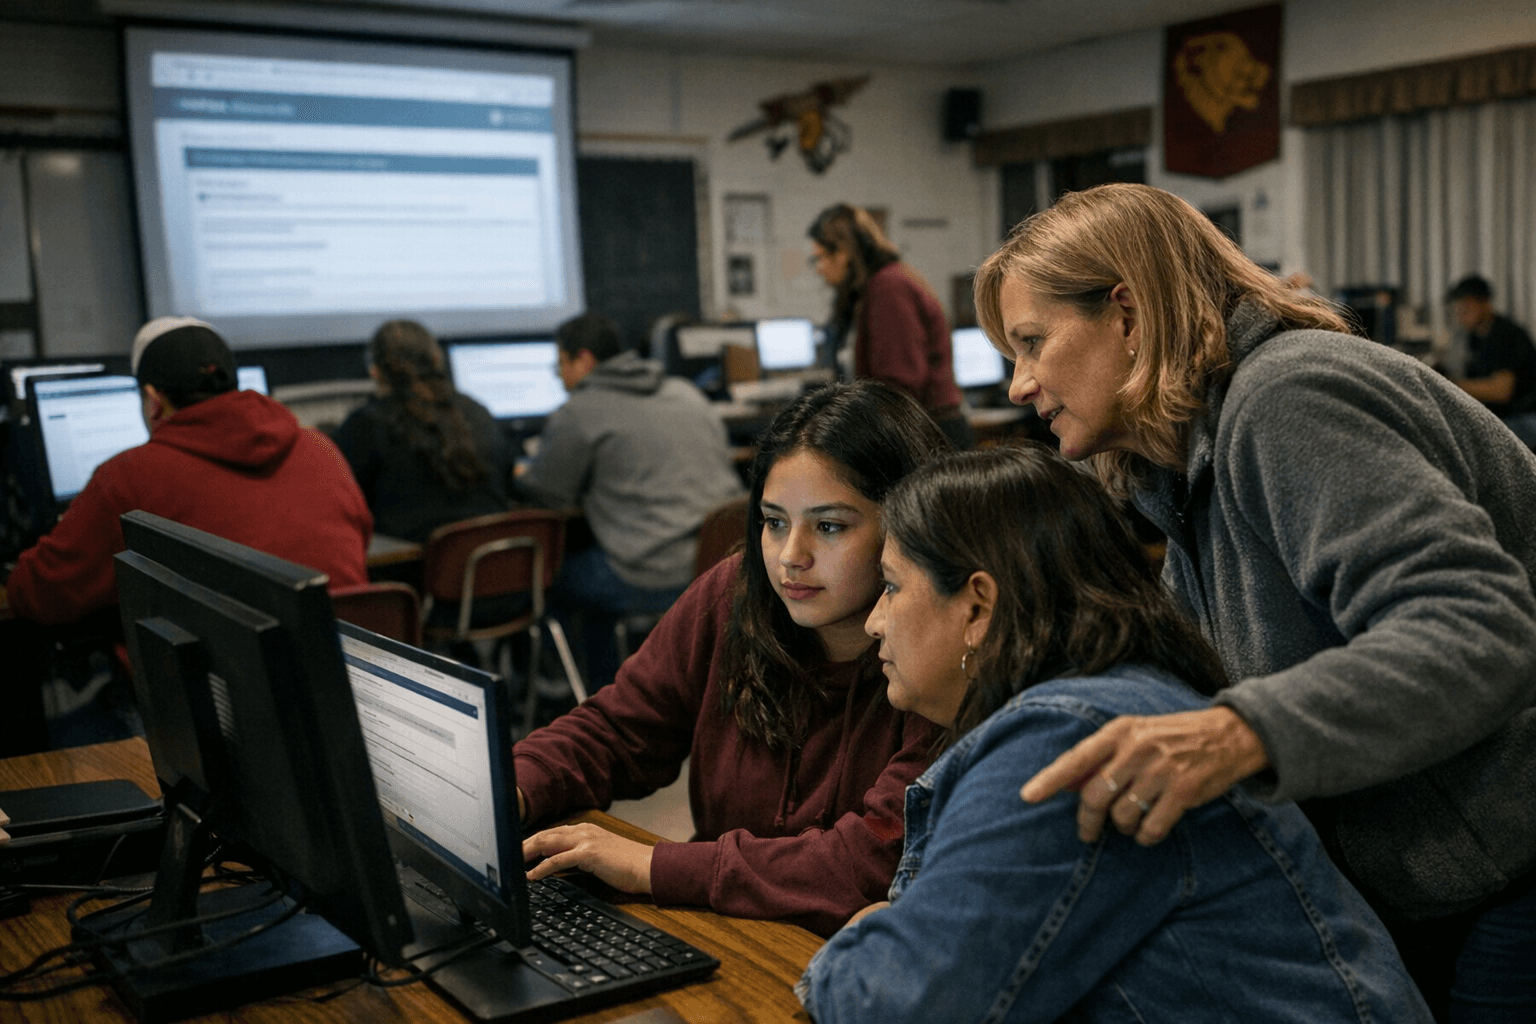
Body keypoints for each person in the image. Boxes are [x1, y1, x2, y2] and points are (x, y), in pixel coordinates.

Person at [972, 183, 1536, 1021]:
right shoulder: (1181, 464)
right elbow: (1187, 677)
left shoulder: (1287, 398)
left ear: (1126, 314)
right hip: (1441, 865)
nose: (1019, 386)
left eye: (1031, 343)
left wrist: (1240, 733)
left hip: (1510, 867)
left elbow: (1477, 627)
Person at [797, 444, 1431, 1023]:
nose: (875, 621)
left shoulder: (1063, 741)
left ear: (978, 608)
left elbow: (900, 1004)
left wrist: (862, 936)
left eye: (891, 585)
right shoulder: (1105, 700)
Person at [514, 380, 948, 937]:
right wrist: (513, 789)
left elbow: (868, 863)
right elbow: (619, 729)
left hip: (839, 958)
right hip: (722, 927)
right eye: (773, 522)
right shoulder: (734, 595)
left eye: (830, 526)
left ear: (907, 524)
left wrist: (651, 865)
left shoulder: (942, 653)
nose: (792, 557)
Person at [6, 316, 371, 625]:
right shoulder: (320, 447)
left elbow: (42, 593)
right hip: (358, 678)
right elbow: (360, 540)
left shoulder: (129, 477)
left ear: (153, 399)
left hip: (235, 697)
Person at [514, 311, 744, 690]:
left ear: (583, 360)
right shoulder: (685, 392)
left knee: (551, 576)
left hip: (650, 570)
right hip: (723, 559)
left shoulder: (578, 412)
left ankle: (582, 693)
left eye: (561, 366)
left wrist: (520, 475)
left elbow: (547, 494)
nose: (560, 378)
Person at [808, 203, 973, 449]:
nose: (819, 269)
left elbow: (900, 382)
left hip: (926, 437)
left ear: (842, 253)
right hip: (919, 431)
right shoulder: (882, 285)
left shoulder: (887, 288)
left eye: (820, 257)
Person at [332, 319, 513, 543]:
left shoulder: (365, 425)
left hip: (407, 572)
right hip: (490, 569)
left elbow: (340, 505)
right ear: (437, 360)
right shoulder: (478, 412)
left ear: (375, 371)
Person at [1446, 273, 1536, 449]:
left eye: (1466, 309)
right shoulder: (1476, 337)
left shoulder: (1506, 334)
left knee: (1464, 443)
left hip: (1525, 417)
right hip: (1507, 416)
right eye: (1458, 310)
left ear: (1484, 303)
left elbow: (1501, 391)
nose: (1460, 315)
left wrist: (1450, 385)